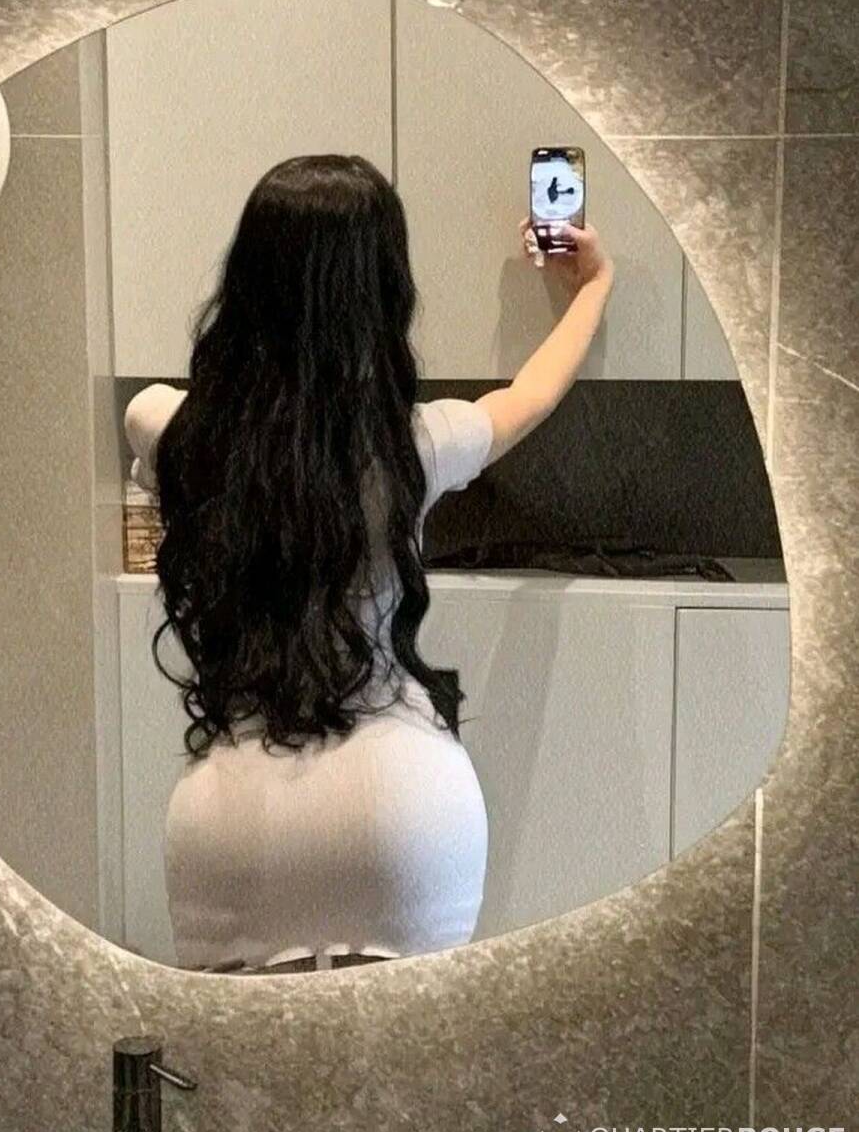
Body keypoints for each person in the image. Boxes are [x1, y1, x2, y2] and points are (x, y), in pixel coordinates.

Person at [123, 155, 613, 974]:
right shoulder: (414, 444)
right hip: (405, 808)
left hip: (233, 823)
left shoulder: (169, 427)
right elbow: (528, 395)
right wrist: (591, 285)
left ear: (246, 280)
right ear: (384, 290)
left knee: (238, 1052)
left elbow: (161, 418)